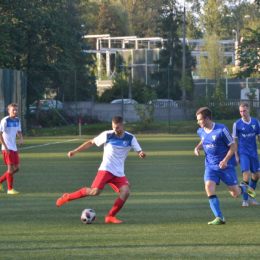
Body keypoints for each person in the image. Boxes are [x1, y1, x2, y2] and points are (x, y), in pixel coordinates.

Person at [56, 115, 146, 223]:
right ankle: (68, 197)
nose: (115, 130)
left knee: (126, 192)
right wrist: (75, 151)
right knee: (95, 192)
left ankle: (110, 217)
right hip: (106, 169)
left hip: (119, 172)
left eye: (117, 127)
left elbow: (139, 151)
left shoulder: (130, 137)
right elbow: (91, 142)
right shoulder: (107, 134)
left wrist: (141, 154)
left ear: (123, 126)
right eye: (113, 127)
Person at [194, 107, 256, 225]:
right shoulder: (200, 131)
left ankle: (244, 187)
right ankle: (220, 217)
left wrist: (225, 161)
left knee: (235, 194)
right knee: (208, 187)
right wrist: (197, 148)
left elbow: (233, 146)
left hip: (225, 167)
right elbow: (203, 140)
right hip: (211, 166)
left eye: (199, 120)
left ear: (207, 118)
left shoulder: (221, 129)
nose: (198, 122)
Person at [232, 102, 260, 207]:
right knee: (246, 176)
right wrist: (236, 155)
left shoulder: (256, 122)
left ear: (249, 110)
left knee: (257, 176)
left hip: (254, 153)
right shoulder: (237, 124)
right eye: (240, 111)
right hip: (243, 153)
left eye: (244, 111)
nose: (242, 113)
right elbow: (234, 141)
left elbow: (259, 136)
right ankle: (245, 200)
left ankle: (249, 195)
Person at [0, 103, 23, 194]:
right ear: (9, 111)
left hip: (14, 147)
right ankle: (10, 189)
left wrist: (21, 139)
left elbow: (19, 132)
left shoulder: (17, 120)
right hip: (7, 148)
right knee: (10, 168)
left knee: (17, 168)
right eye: (13, 110)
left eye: (16, 110)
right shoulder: (5, 120)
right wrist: (5, 147)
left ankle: (0, 181)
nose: (15, 111)